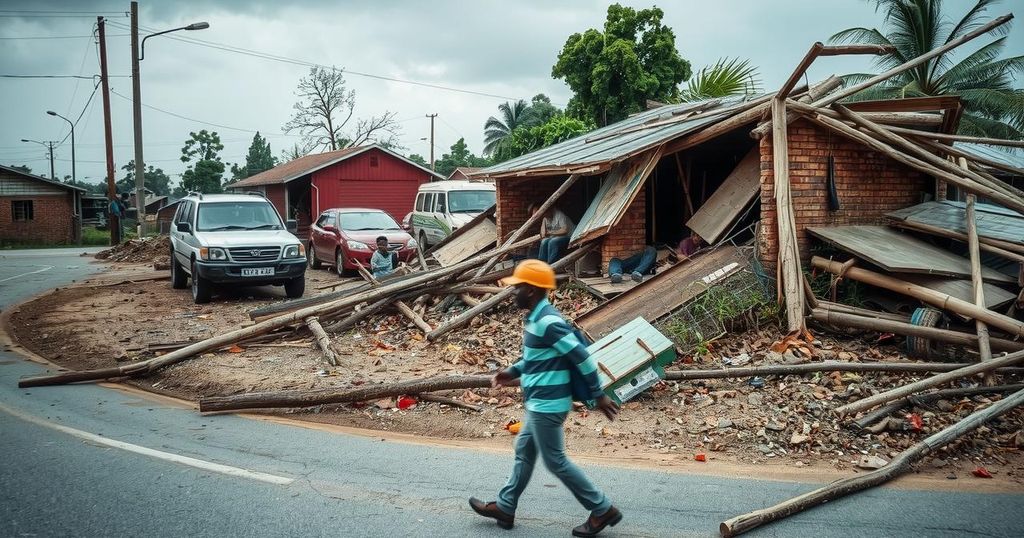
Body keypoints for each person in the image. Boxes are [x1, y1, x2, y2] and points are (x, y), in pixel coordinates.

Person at [469, 259, 623, 537]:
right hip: (538, 403)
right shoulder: (536, 319)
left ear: (531, 290)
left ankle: (601, 509)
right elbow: (535, 359)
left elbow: (582, 357)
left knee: (555, 461)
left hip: (548, 405)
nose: (513, 292)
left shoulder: (548, 322)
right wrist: (510, 372)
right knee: (525, 451)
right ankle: (505, 506)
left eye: (517, 287)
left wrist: (598, 395)